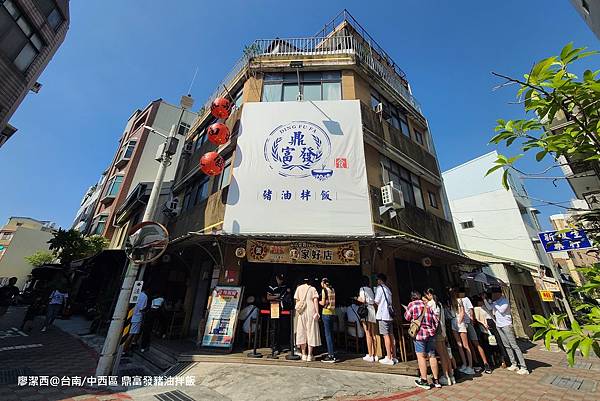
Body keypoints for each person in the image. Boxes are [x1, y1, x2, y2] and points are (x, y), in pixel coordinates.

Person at [484, 288, 529, 375]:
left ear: (498, 294)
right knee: (506, 345)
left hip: (506, 325)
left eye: (493, 294)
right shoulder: (495, 302)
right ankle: (514, 364)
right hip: (499, 325)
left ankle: (524, 367)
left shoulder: (504, 301)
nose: (492, 295)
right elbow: (489, 308)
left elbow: (501, 310)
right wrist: (485, 299)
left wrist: (494, 302)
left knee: (514, 346)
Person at [404, 291, 441, 389]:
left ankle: (424, 380)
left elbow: (407, 317)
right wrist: (432, 329)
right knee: (432, 356)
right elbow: (436, 320)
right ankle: (436, 380)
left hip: (419, 334)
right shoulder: (427, 305)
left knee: (421, 357)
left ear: (412, 298)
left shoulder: (411, 304)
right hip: (430, 334)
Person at [425, 288, 455, 385]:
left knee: (441, 355)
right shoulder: (440, 304)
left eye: (426, 295)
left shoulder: (430, 304)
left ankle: (446, 377)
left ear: (429, 294)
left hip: (436, 331)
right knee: (445, 354)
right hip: (443, 330)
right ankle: (451, 376)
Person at [457, 288, 491, 374]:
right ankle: (476, 363)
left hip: (467, 323)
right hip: (464, 324)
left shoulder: (465, 299)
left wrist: (472, 320)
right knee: (469, 345)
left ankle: (485, 363)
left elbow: (471, 310)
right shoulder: (457, 300)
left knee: (475, 344)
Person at [294, 277, 321, 361]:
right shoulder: (313, 289)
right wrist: (317, 312)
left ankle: (303, 354)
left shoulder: (299, 288)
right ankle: (310, 354)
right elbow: (315, 301)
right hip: (311, 311)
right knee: (311, 332)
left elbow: (297, 301)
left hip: (301, 312)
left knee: (302, 332)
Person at [448, 288, 474, 375]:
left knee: (465, 345)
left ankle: (470, 366)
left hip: (459, 321)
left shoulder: (459, 301)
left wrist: (459, 321)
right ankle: (464, 363)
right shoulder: (450, 303)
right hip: (453, 321)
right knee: (459, 345)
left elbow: (462, 312)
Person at [374, 273, 397, 365]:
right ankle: (394, 356)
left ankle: (389, 357)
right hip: (389, 315)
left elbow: (376, 301)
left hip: (383, 315)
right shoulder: (388, 289)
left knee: (385, 335)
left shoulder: (380, 289)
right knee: (391, 335)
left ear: (380, 280)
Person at [266, 273, 291, 357]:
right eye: (280, 279)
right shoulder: (272, 286)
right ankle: (273, 346)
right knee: (274, 327)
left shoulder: (284, 286)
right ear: (276, 278)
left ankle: (280, 345)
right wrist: (277, 296)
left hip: (283, 308)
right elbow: (268, 297)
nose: (281, 280)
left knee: (282, 327)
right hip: (274, 307)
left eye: (282, 279)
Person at [356, 275, 378, 362]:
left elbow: (363, 300)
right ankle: (375, 354)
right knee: (373, 334)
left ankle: (370, 354)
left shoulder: (362, 289)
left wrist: (357, 298)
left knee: (367, 333)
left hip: (366, 311)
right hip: (372, 310)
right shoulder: (370, 290)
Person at [123, 286, 148, 353]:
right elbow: (142, 308)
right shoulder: (144, 296)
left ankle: (127, 347)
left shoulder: (135, 293)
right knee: (131, 334)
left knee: (127, 332)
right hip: (137, 316)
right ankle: (124, 350)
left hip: (130, 316)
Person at [319, 278, 337, 363]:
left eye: (321, 282)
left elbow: (323, 303)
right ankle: (333, 352)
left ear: (324, 283)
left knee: (328, 335)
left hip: (326, 313)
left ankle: (330, 355)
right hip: (333, 313)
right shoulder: (332, 289)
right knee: (331, 334)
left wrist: (318, 301)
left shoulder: (324, 290)